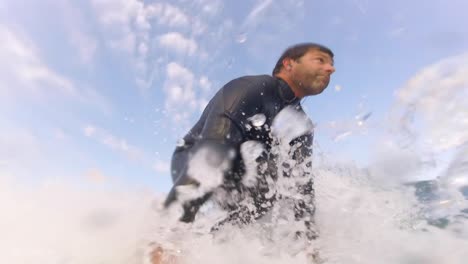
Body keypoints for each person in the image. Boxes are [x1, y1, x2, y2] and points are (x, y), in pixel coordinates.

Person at [163, 42, 335, 242]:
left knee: (278, 183)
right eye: (320, 60)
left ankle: (215, 244)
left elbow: (302, 188)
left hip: (244, 176)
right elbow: (213, 151)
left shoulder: (302, 125)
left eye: (331, 64)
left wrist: (309, 247)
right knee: (227, 158)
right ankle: (164, 241)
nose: (331, 68)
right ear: (289, 64)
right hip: (193, 157)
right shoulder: (253, 88)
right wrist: (167, 239)